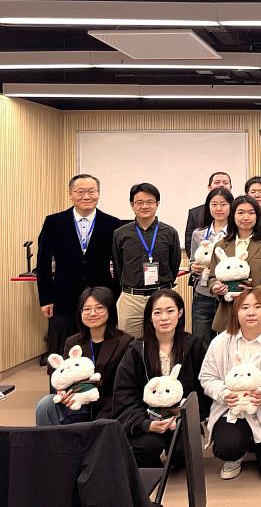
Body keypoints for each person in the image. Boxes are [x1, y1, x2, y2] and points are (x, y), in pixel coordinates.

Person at [199, 288, 261, 482]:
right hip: (233, 411)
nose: (251, 312)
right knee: (227, 447)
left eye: (258, 307)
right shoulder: (221, 342)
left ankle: (256, 444)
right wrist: (224, 393)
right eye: (245, 307)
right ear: (236, 312)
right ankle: (236, 455)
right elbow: (207, 377)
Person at [113, 289, 209, 468]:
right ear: (150, 317)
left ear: (180, 313)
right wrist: (145, 423)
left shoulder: (194, 346)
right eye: (157, 312)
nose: (164, 318)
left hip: (180, 418)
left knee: (182, 455)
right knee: (145, 449)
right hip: (147, 417)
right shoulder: (136, 350)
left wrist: (185, 414)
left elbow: (204, 388)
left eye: (170, 311)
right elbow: (125, 395)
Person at [37, 174, 121, 360]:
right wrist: (45, 298)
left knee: (101, 347)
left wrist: (114, 294)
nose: (86, 196)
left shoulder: (113, 223)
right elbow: (43, 262)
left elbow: (118, 264)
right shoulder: (54, 222)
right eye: (80, 192)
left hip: (101, 295)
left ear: (99, 193)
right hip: (63, 296)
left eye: (92, 191)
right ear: (70, 194)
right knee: (62, 349)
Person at [35, 286, 134, 426]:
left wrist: (100, 419)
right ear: (80, 313)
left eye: (99, 308)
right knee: (45, 405)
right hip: (78, 405)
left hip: (110, 407)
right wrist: (63, 394)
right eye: (87, 309)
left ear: (110, 310)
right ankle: (51, 441)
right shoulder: (72, 342)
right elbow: (64, 378)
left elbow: (125, 389)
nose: (93, 313)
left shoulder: (126, 342)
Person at [112, 183, 181, 340]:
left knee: (165, 342)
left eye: (150, 202)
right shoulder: (120, 234)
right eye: (139, 202)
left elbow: (174, 264)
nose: (145, 206)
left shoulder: (170, 232)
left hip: (162, 297)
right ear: (132, 205)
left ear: (157, 204)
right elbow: (118, 266)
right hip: (131, 299)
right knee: (129, 344)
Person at [208, 195, 261, 333]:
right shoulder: (221, 245)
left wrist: (253, 292)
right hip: (228, 313)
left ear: (257, 216)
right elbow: (212, 277)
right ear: (233, 215)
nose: (246, 217)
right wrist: (215, 287)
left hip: (258, 312)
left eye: (251, 213)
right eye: (241, 212)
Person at [188, 188, 233, 347]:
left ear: (231, 206)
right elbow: (193, 260)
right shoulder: (198, 234)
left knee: (228, 343)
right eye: (214, 204)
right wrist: (193, 266)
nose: (218, 208)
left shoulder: (235, 234)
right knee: (202, 343)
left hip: (227, 294)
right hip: (203, 294)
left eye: (223, 204)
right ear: (208, 207)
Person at [184, 171, 232, 256]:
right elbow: (191, 249)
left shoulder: (238, 230)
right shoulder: (198, 229)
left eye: (225, 183)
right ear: (209, 187)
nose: (221, 185)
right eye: (217, 182)